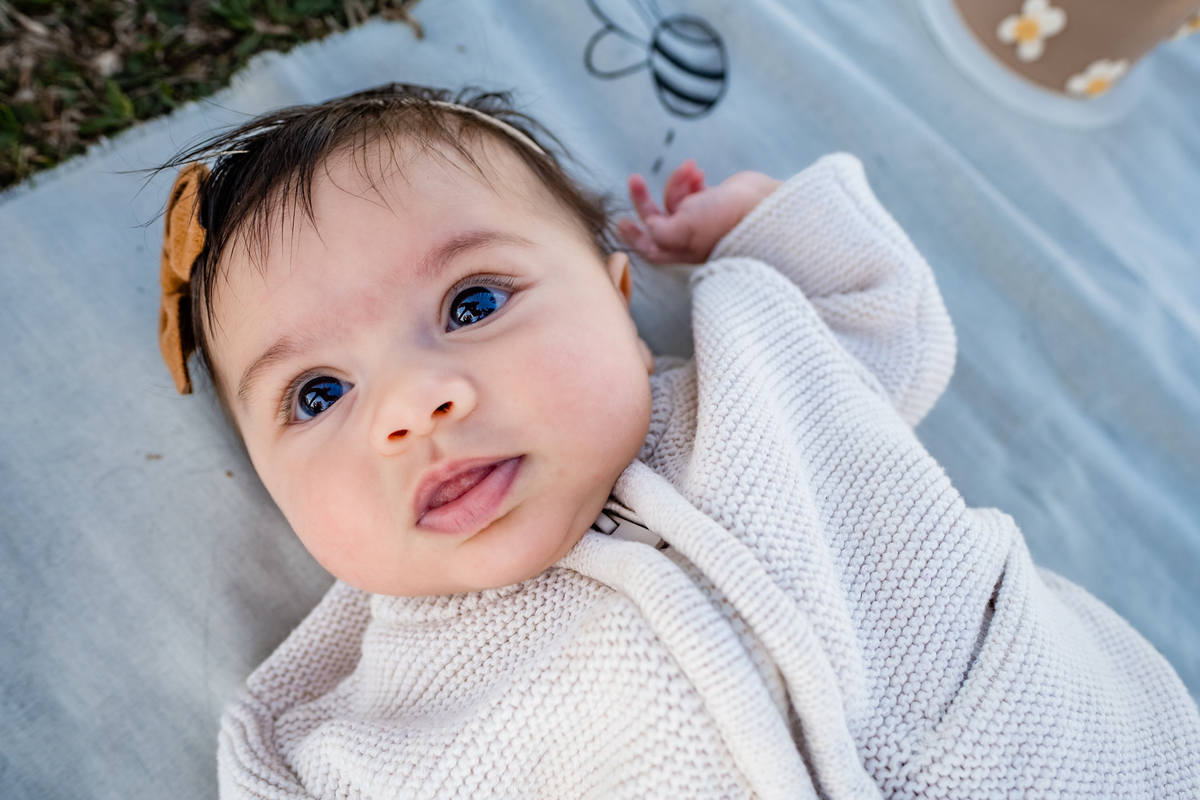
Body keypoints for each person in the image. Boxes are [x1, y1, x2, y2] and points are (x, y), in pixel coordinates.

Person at [156, 83, 1200, 799]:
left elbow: (887, 321)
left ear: (619, 304)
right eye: (319, 391)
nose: (415, 403)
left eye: (473, 302)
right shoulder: (355, 706)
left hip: (1051, 750)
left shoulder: (755, 369)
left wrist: (762, 223)